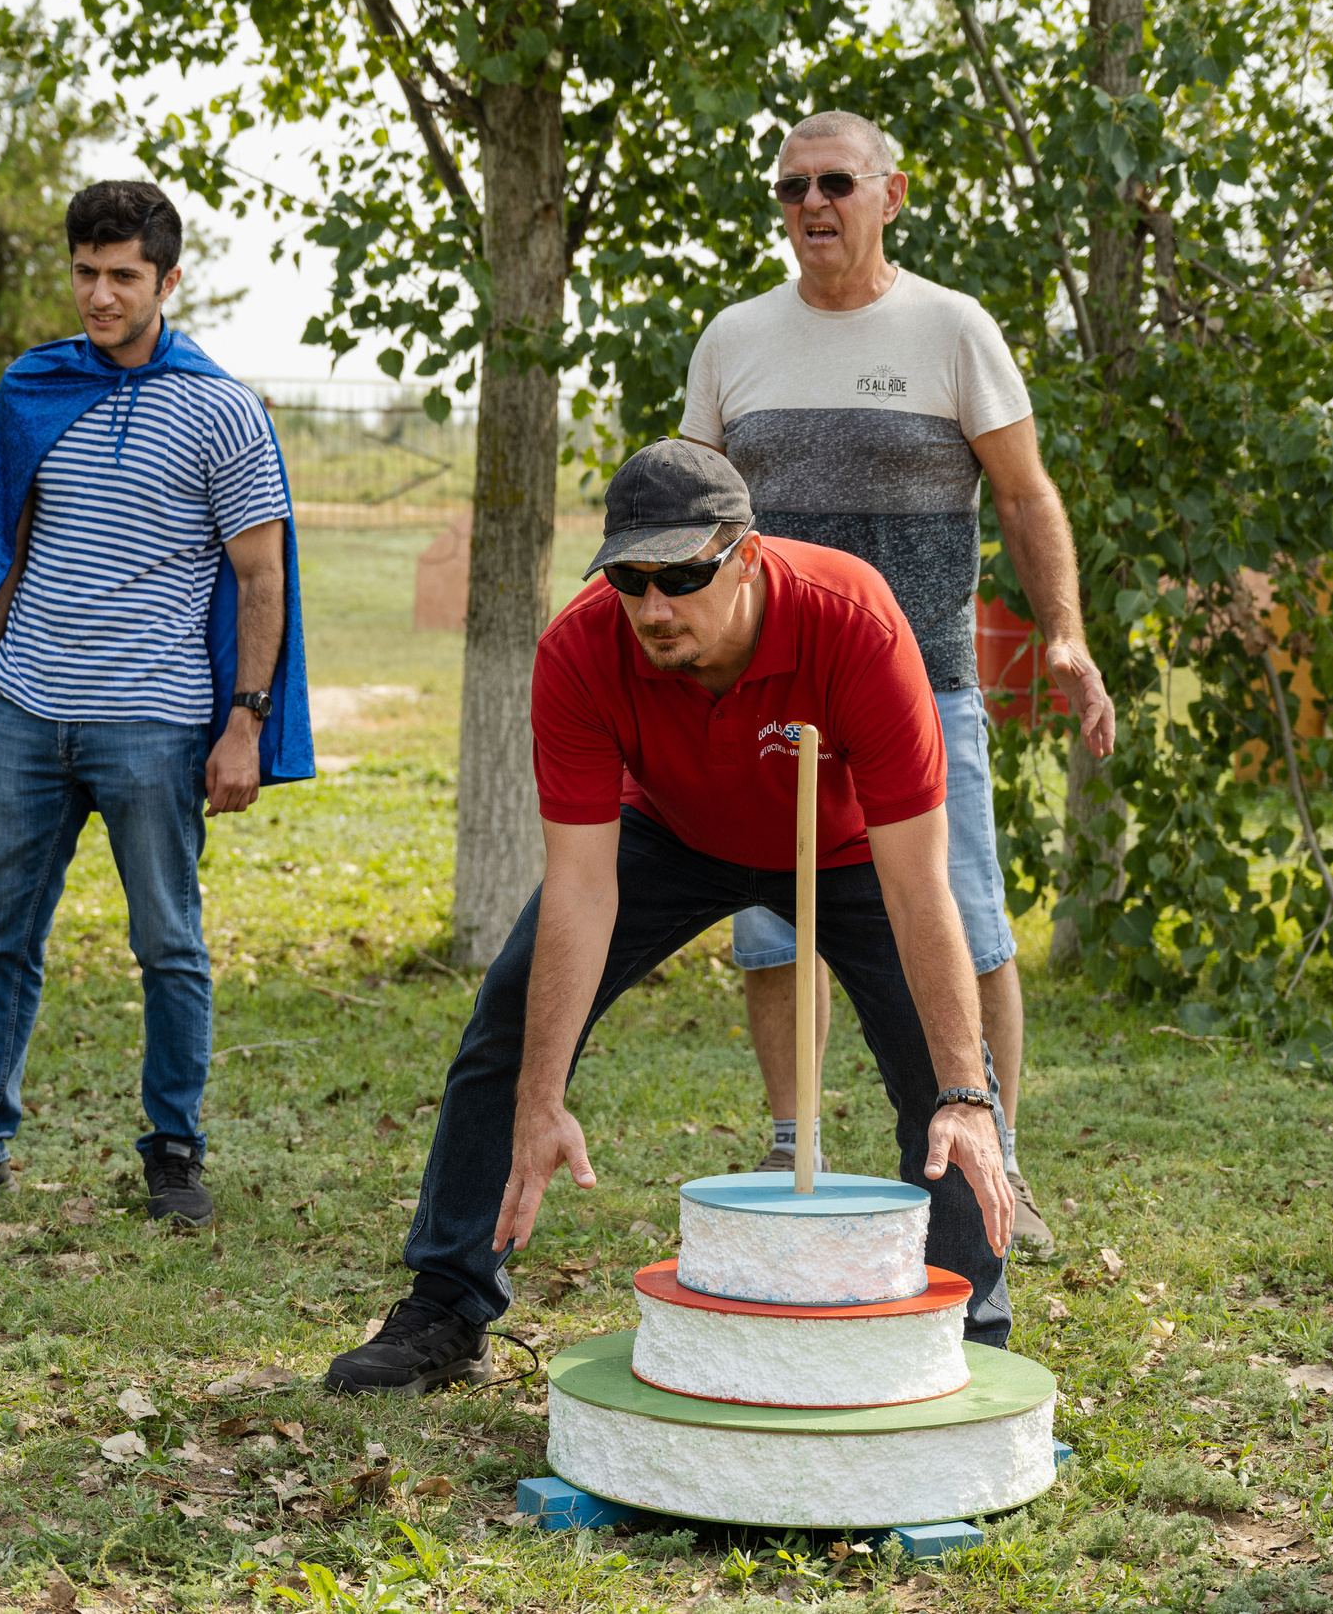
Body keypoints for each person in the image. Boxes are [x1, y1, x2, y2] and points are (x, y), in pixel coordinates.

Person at [321, 439, 1016, 1397]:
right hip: (675, 830)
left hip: (849, 848)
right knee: (513, 1020)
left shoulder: (853, 622)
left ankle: (967, 1331)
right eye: (630, 579)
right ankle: (449, 1298)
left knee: (940, 1078)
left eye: (684, 575)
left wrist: (967, 1092)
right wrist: (542, 1090)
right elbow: (579, 885)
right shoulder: (579, 649)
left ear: (749, 553)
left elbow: (917, 881)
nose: (653, 607)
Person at [678, 110, 1115, 1253]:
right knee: (775, 935)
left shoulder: (951, 330)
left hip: (926, 688)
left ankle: (991, 1164)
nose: (810, 205)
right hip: (772, 696)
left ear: (891, 194)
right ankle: (790, 1153)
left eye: (833, 183)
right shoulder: (733, 340)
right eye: (788, 188)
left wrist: (1062, 634)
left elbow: (1023, 496)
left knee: (968, 933)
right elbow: (701, 521)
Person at [0, 181, 314, 1228]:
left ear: (168, 280)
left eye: (123, 277)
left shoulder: (223, 407)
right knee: (0, 938)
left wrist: (244, 719)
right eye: (85, 273)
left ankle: (173, 1153)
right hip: (25, 716)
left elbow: (261, 580)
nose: (99, 296)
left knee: (169, 945)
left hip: (152, 725)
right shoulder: (33, 389)